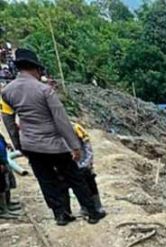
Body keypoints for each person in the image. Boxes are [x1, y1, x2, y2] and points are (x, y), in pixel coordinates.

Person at [0, 48, 105, 225]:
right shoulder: (45, 91)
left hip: (31, 145)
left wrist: (19, 146)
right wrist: (75, 146)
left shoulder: (7, 92)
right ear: (35, 68)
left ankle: (61, 215)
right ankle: (92, 212)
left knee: (46, 180)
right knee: (75, 177)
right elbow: (61, 120)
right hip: (54, 144)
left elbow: (9, 123)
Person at [72, 123, 105, 216]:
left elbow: (87, 146)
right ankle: (84, 206)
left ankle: (98, 206)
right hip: (71, 165)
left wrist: (87, 162)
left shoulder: (76, 128)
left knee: (90, 184)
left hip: (84, 163)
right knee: (77, 187)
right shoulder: (56, 130)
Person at [0, 133, 19, 219]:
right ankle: (3, 210)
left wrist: (6, 144)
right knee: (1, 186)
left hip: (4, 160)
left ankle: (7, 203)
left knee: (7, 183)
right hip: (1, 162)